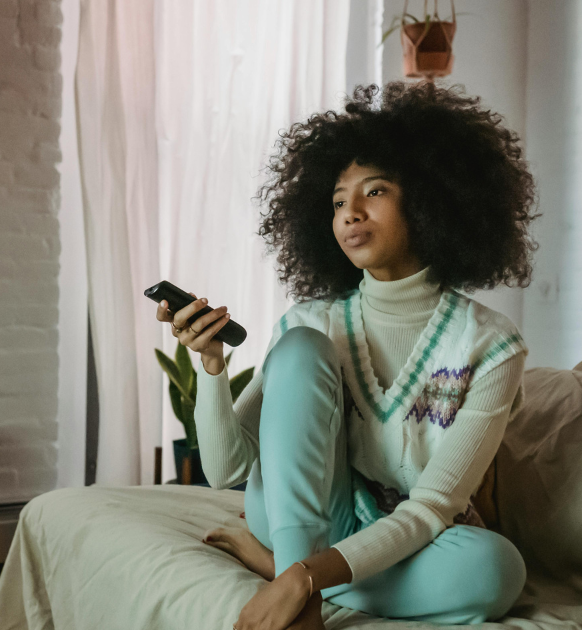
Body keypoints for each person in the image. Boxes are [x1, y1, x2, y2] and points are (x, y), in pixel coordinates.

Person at [154, 81, 540, 630]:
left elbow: (432, 507)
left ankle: (286, 574)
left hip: (401, 537)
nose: (350, 213)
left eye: (375, 192)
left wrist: (301, 575)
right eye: (337, 202)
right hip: (302, 518)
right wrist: (212, 369)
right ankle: (299, 573)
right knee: (301, 349)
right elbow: (228, 471)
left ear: (432, 201)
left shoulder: (491, 344)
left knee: (496, 570)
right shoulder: (308, 321)